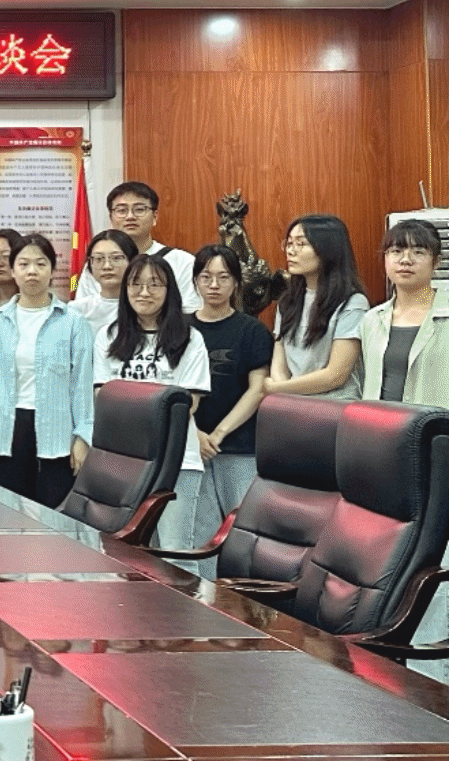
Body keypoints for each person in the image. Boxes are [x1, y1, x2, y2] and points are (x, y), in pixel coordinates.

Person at [94, 254, 210, 555]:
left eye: (154, 285)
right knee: (122, 552)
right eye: (136, 284)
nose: (144, 292)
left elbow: (188, 404)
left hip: (178, 460)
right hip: (124, 461)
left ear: (169, 290)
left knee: (175, 552)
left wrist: (132, 408)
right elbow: (103, 398)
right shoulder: (109, 336)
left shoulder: (190, 338)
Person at [0, 234, 95, 508]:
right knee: (8, 512)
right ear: (13, 271)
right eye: (24, 264)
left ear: (52, 270)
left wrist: (82, 437)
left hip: (58, 429)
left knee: (54, 511)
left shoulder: (73, 322)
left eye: (40, 264)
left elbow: (82, 384)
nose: (32, 271)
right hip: (9, 428)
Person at [188, 243, 274, 571]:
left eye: (223, 277)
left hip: (239, 448)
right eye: (206, 277)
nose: (214, 285)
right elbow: (172, 388)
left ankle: (245, 597)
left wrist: (218, 434)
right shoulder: (180, 328)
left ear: (236, 282)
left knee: (244, 532)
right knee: (200, 535)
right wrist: (195, 433)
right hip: (191, 449)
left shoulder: (252, 330)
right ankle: (204, 596)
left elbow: (257, 389)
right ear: (195, 281)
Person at [265, 214, 368, 401]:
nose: (291, 251)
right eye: (289, 243)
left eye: (301, 244)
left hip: (336, 405)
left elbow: (335, 375)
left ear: (328, 249)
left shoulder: (352, 302)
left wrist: (277, 388)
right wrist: (283, 391)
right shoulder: (287, 302)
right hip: (292, 402)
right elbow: (279, 367)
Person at [358, 219, 449, 408]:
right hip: (379, 423)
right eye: (396, 251)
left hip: (436, 424)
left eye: (418, 252)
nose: (405, 260)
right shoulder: (372, 319)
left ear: (436, 262)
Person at [74, 181, 200, 312]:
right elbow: (81, 310)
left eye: (139, 210)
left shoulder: (182, 262)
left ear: (155, 216)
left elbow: (191, 311)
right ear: (110, 218)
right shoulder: (99, 263)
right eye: (121, 210)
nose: (130, 216)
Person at [68, 229, 138, 331]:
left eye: (116, 258)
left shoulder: (143, 307)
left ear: (132, 261)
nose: (107, 266)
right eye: (99, 259)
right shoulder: (76, 310)